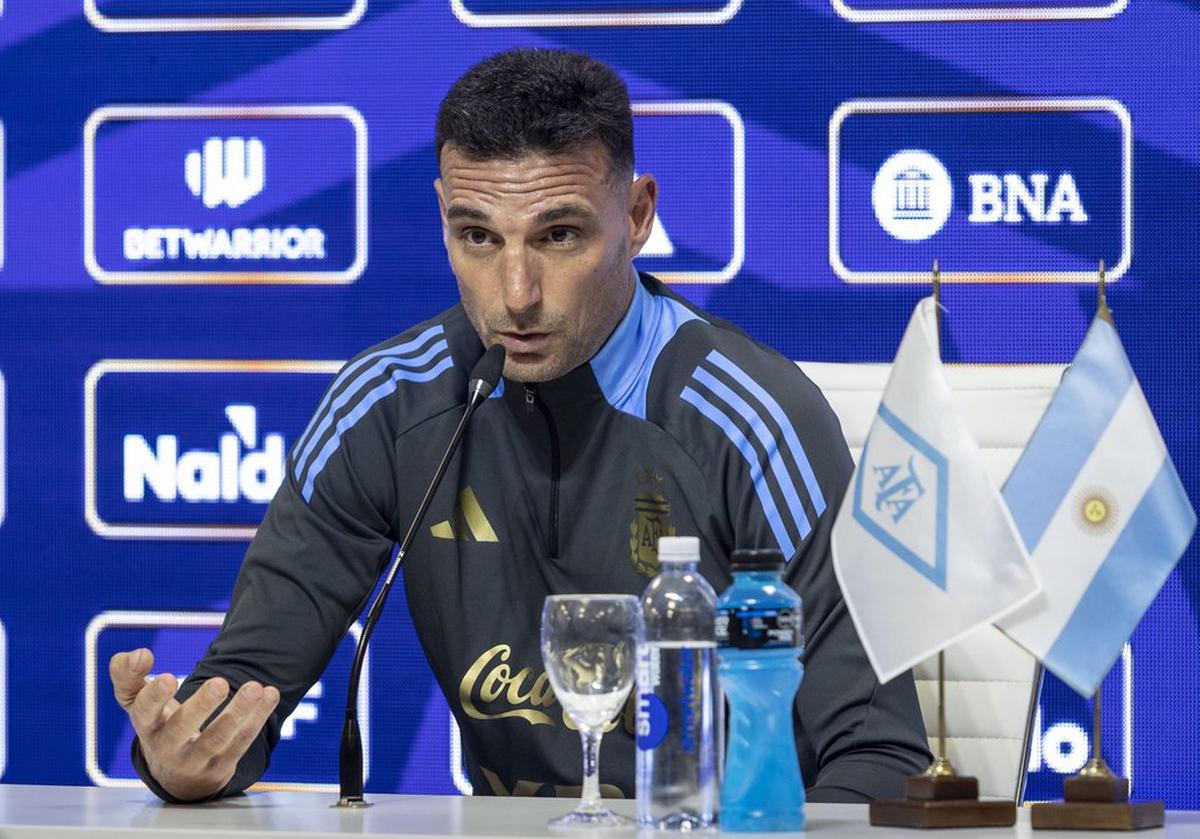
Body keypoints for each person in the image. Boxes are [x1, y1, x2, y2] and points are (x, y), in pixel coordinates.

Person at [109, 47, 931, 804]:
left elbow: (878, 756)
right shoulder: (385, 406)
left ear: (637, 214)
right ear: (443, 215)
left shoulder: (753, 419)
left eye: (559, 235)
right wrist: (181, 757)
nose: (516, 294)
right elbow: (243, 691)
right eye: (477, 236)